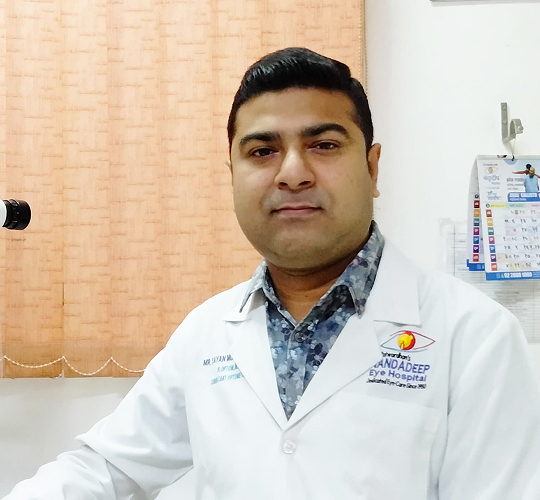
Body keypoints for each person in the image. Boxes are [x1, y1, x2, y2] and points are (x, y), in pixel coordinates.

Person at [5, 47, 540, 500]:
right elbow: (105, 468)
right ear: (232, 174)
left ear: (372, 167)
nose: (292, 173)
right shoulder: (207, 332)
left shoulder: (474, 337)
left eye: (323, 145)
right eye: (262, 151)